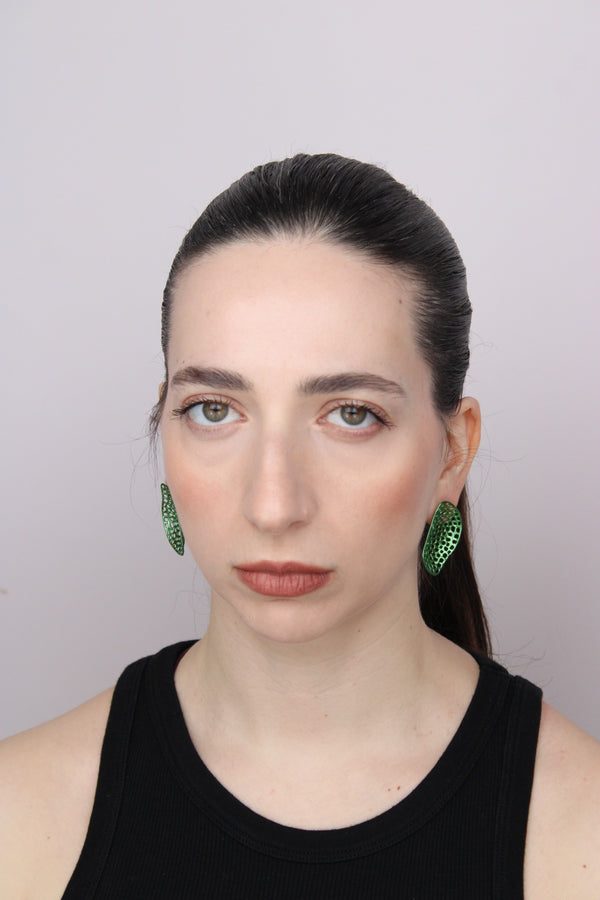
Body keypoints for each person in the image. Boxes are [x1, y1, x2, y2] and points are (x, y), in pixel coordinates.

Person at [1, 154, 598, 899]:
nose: (274, 505)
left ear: (453, 451)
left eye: (352, 415)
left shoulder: (584, 838)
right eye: (213, 410)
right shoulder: (16, 818)